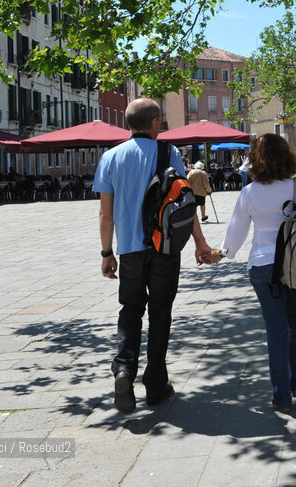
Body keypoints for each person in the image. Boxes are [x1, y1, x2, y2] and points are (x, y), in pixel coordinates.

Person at [95, 98, 211, 413]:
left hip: (130, 251)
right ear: (155, 122)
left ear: (128, 123)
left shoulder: (110, 157)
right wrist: (200, 243)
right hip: (165, 247)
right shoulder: (169, 153)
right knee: (160, 313)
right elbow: (184, 201)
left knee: (130, 310)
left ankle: (123, 369)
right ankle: (156, 383)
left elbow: (105, 214)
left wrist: (107, 253)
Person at [203, 133, 296, 413]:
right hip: (295, 266)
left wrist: (219, 254)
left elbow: (237, 232)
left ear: (256, 159)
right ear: (286, 155)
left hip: (263, 265)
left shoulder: (250, 192)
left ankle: (281, 397)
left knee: (276, 330)